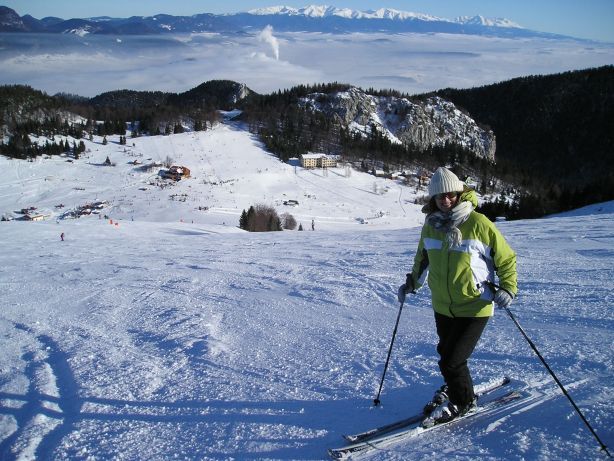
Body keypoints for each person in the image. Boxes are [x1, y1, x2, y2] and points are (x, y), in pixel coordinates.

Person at [397, 167, 517, 425]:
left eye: (450, 194)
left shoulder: (478, 223)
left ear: (460, 193)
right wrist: (412, 284)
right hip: (442, 304)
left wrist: (508, 287)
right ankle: (455, 386)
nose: (445, 200)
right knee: (447, 353)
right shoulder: (431, 226)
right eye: (439, 196)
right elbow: (422, 258)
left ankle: (463, 402)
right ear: (433, 199)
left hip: (475, 305)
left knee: (452, 360)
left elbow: (505, 258)